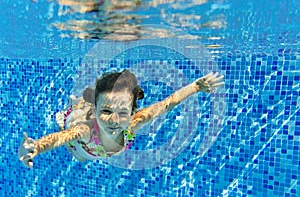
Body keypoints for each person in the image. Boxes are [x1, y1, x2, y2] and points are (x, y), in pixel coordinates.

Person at [18, 70, 224, 167]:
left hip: (94, 144)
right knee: (78, 152)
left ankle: (87, 102)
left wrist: (196, 86)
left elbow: (166, 104)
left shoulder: (135, 122)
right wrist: (36, 147)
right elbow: (60, 138)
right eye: (106, 112)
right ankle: (79, 106)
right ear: (97, 110)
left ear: (133, 112)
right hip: (81, 133)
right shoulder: (85, 131)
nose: (115, 120)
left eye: (123, 113)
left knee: (85, 155)